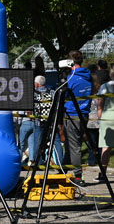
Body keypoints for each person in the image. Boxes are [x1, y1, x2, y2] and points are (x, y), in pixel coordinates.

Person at [63, 50, 92, 186]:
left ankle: (78, 176)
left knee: (75, 147)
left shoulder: (71, 78)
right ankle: (65, 168)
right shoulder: (88, 77)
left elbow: (63, 95)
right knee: (75, 145)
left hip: (72, 114)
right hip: (84, 114)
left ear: (70, 62)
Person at [32, 75, 63, 165]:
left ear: (37, 84)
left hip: (39, 122)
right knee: (56, 142)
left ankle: (38, 164)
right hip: (52, 121)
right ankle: (60, 163)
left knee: (37, 142)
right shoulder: (52, 92)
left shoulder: (34, 94)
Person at [95, 64, 114, 183]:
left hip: (107, 117)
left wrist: (100, 117)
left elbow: (100, 104)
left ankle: (103, 173)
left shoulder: (105, 86)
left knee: (106, 147)